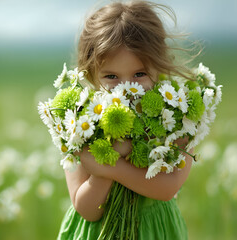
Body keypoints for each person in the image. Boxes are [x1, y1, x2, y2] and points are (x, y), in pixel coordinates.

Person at [57, 1, 196, 239]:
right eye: (111, 76)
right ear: (90, 74)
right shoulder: (82, 125)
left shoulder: (176, 118)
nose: (125, 88)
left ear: (159, 67)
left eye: (139, 74)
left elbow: (167, 188)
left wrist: (109, 164)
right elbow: (87, 210)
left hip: (154, 231)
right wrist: (102, 172)